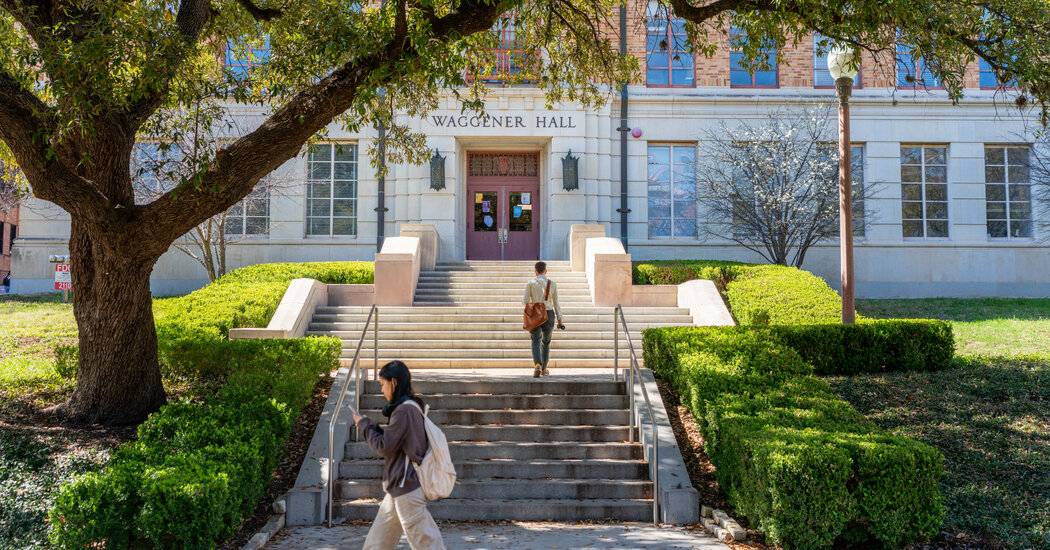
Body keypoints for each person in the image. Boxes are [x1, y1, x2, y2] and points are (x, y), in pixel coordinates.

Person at [349, 360, 445, 550]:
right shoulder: (411, 408)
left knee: (428, 545)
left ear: (393, 382)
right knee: (376, 545)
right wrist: (370, 426)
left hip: (406, 488)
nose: (382, 390)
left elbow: (384, 446)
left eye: (383, 385)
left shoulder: (404, 411)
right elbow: (394, 442)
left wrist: (364, 426)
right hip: (398, 488)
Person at [522, 261, 565, 378]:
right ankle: (544, 368)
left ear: (535, 272)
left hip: (535, 314)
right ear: (546, 271)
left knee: (535, 340)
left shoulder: (530, 283)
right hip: (549, 314)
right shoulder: (552, 284)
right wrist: (560, 319)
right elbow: (556, 303)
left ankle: (537, 364)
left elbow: (525, 301)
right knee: (546, 342)